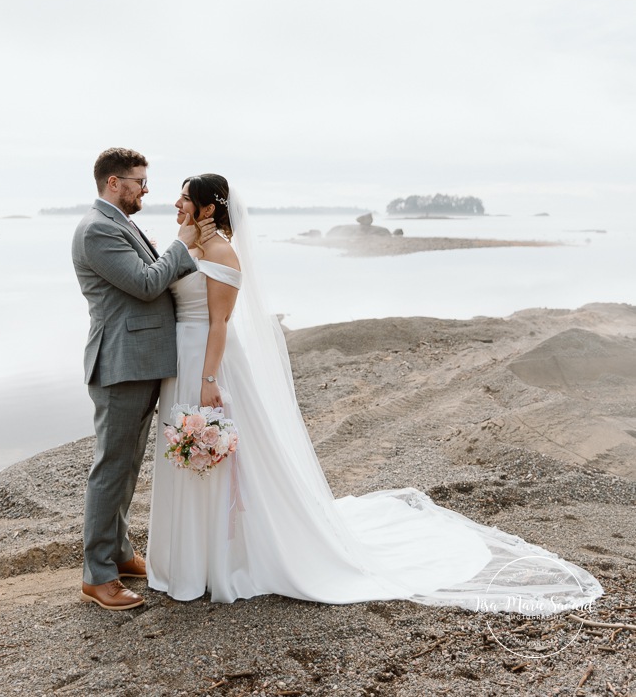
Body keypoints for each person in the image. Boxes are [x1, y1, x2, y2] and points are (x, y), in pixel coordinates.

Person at [147, 176, 603, 613]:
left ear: (208, 207)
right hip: (181, 359)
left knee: (222, 457)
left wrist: (209, 382)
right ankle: (189, 560)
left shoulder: (223, 252)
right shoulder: (187, 243)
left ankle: (226, 560)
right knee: (183, 452)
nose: (176, 203)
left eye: (185, 197)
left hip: (210, 360)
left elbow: (221, 323)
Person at [72, 147, 215, 611]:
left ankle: (118, 551)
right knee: (110, 468)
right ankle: (98, 576)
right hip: (120, 364)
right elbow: (148, 283)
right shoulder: (97, 230)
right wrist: (181, 241)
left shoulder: (121, 223)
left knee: (128, 467)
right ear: (114, 183)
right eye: (139, 180)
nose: (146, 188)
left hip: (142, 361)